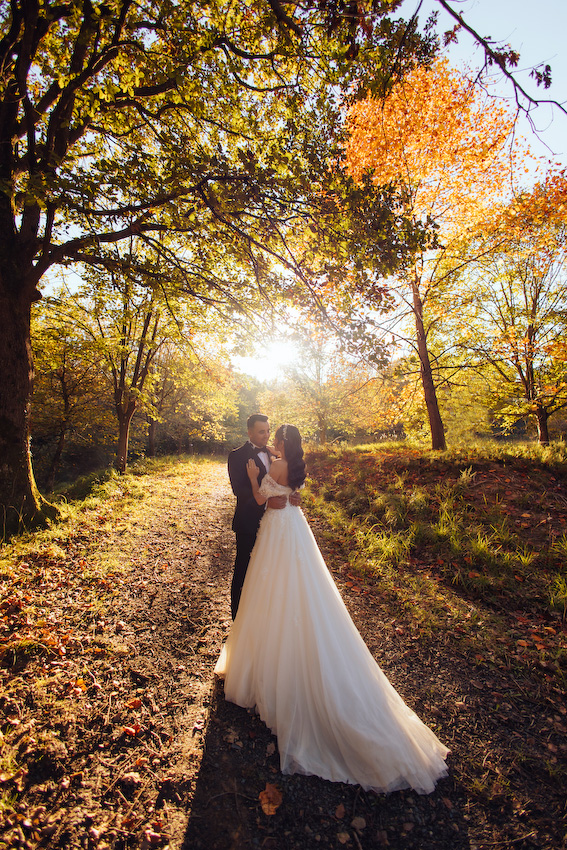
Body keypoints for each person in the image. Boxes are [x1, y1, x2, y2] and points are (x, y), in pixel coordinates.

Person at [216, 423, 449, 794]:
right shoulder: (295, 465)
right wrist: (286, 490)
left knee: (270, 587)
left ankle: (270, 662)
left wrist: (256, 477)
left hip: (276, 530)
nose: (271, 441)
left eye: (275, 438)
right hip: (295, 529)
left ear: (281, 442)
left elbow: (260, 498)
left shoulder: (277, 465)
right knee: (298, 586)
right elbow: (291, 492)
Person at [227, 414, 300, 619]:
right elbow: (239, 491)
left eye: (268, 431)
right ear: (249, 432)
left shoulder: (273, 453)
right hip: (249, 522)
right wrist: (268, 501)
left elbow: (284, 481)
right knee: (243, 569)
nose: (266, 435)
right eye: (261, 432)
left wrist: (292, 494)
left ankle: (264, 618)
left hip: (276, 523)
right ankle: (237, 619)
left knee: (271, 569)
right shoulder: (237, 455)